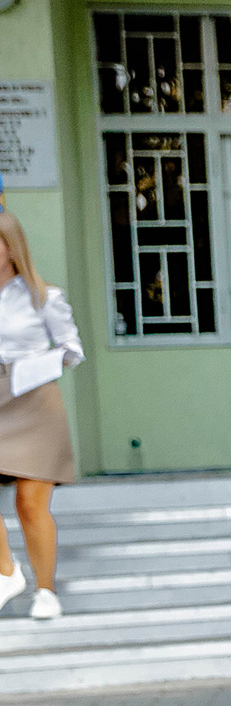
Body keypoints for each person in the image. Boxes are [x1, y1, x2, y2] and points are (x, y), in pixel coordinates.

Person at [0, 211, 80, 619]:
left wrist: (36, 364)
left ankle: (46, 591)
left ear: (11, 247)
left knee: (30, 503)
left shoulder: (43, 297)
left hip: (33, 400)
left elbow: (72, 350)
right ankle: (7, 572)